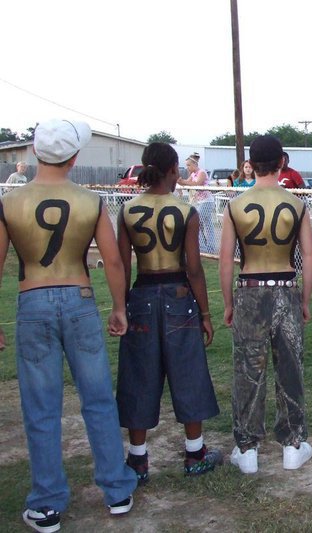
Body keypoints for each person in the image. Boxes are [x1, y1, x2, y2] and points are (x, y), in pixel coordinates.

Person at [0, 119, 137, 532]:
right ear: (74, 157)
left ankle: (46, 502)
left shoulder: (10, 202)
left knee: (41, 407)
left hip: (32, 301)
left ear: (33, 154)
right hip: (78, 300)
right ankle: (116, 489)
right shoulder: (90, 200)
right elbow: (112, 260)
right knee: (97, 398)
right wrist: (119, 307)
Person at [116, 142, 223, 485]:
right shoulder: (184, 211)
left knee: (138, 375)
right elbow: (194, 268)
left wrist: (120, 306)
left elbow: (120, 264)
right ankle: (195, 453)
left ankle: (137, 460)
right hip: (179, 296)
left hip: (142, 295)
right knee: (188, 371)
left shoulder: (128, 210)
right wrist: (205, 313)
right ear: (174, 170)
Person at [220, 135, 312, 473]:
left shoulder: (235, 205)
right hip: (286, 287)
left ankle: (247, 449)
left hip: (249, 288)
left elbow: (226, 260)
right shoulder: (296, 203)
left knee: (249, 370)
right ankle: (293, 443)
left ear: (251, 162)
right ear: (281, 163)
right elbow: (308, 255)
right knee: (290, 367)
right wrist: (304, 299)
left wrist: (229, 303)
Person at [177, 153, 216, 254]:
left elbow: (197, 184)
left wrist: (184, 182)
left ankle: (203, 248)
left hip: (207, 202)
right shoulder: (193, 174)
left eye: (189, 165)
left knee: (195, 222)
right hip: (200, 202)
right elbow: (187, 182)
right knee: (208, 225)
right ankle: (210, 248)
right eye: (186, 165)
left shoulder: (201, 172)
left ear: (195, 164)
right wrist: (180, 181)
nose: (187, 167)